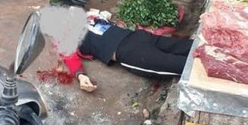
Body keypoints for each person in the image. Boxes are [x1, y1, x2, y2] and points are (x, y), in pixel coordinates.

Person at [61, 17, 193, 92]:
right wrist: (80, 75)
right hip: (137, 37)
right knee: (189, 49)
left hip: (131, 52)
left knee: (187, 66)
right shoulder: (84, 18)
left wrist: (80, 75)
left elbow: (68, 56)